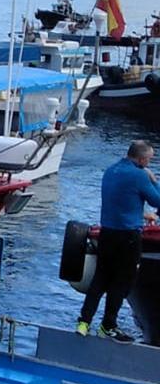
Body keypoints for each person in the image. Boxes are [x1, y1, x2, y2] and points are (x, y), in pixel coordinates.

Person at [77, 140, 160, 342]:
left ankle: (83, 322)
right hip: (128, 238)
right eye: (149, 159)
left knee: (100, 280)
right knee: (122, 282)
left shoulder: (110, 171)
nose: (149, 162)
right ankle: (108, 325)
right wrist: (153, 180)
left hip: (107, 234)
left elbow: (123, 201)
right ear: (141, 159)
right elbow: (157, 201)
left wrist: (141, 214)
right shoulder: (139, 175)